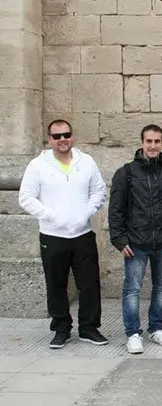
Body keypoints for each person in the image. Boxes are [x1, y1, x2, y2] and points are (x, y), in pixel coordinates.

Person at [19, 119, 108, 349]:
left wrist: (87, 210)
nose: (62, 140)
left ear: (72, 136)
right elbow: (25, 197)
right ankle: (61, 328)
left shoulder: (86, 161)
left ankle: (89, 328)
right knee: (56, 284)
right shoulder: (38, 165)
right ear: (49, 139)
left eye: (66, 134)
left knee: (89, 284)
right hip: (52, 235)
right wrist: (50, 216)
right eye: (57, 136)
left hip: (82, 234)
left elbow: (99, 190)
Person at [109, 125, 162, 355]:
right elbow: (116, 210)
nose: (153, 146)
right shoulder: (126, 173)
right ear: (142, 142)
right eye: (149, 141)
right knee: (132, 288)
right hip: (135, 243)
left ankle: (156, 327)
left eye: (157, 141)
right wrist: (119, 240)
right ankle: (133, 333)